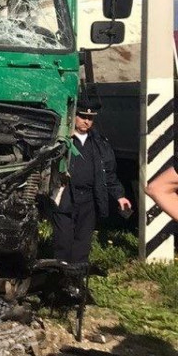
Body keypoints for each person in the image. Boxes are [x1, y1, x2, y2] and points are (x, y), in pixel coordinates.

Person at [50, 96, 131, 267]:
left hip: (89, 199)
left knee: (83, 243)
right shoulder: (60, 139)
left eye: (90, 118)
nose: (87, 122)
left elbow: (108, 173)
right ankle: (59, 279)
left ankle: (77, 280)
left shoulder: (100, 143)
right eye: (83, 117)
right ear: (74, 116)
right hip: (65, 196)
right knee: (62, 242)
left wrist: (119, 196)